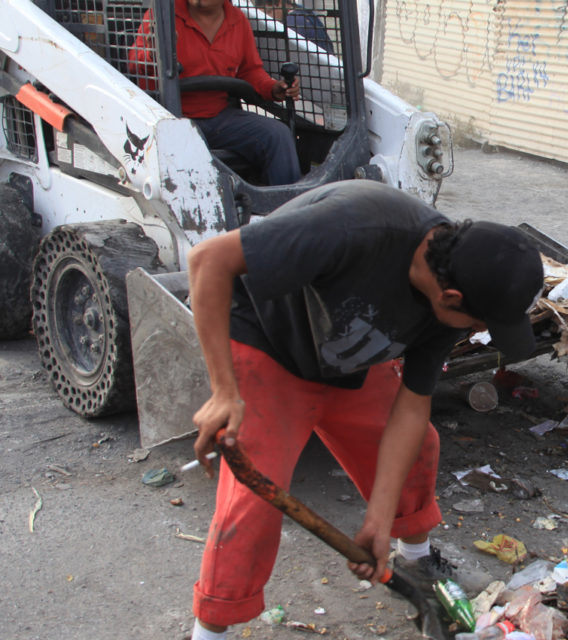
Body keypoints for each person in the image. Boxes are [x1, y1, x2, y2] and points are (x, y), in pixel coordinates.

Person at [182, 180, 545, 640]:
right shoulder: (356, 226)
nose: (474, 330)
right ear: (450, 298)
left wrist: (378, 517)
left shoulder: (453, 294)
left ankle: (415, 565)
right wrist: (221, 391)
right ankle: (209, 631)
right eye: (476, 323)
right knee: (253, 500)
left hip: (346, 357)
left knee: (419, 448)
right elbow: (208, 259)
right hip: (267, 342)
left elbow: (411, 410)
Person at [131, 0, 302, 185]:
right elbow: (135, 64)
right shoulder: (162, 17)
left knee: (277, 135)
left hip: (220, 117)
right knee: (181, 146)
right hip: (172, 118)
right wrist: (152, 55)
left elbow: (249, 71)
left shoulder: (237, 21)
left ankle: (287, 207)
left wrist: (273, 88)